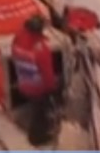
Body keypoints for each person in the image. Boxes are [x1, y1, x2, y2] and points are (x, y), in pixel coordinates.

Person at [11, 14, 61, 146]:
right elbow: (48, 75)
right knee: (40, 110)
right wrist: (53, 88)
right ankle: (37, 138)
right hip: (37, 88)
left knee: (37, 105)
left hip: (22, 82)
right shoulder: (41, 49)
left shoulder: (18, 38)